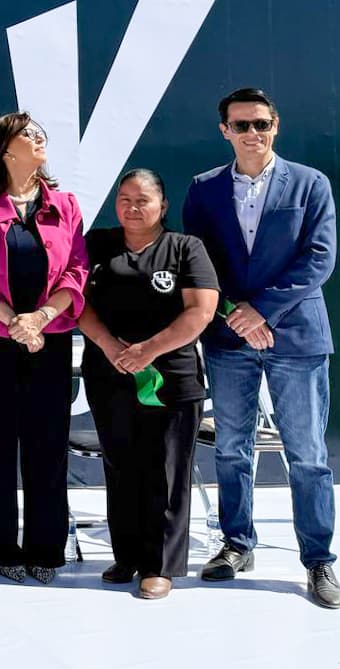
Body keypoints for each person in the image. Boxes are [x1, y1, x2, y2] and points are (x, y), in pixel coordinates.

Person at [183, 87, 340, 609]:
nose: (253, 134)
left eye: (262, 124)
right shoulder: (204, 189)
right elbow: (199, 265)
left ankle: (318, 560)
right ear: (224, 131)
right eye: (242, 125)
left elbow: (319, 259)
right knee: (232, 447)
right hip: (230, 337)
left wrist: (262, 311)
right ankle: (237, 544)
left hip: (296, 337)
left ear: (276, 126)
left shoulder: (310, 183)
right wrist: (235, 313)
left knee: (308, 455)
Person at [0, 112, 88, 584]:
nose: (38, 139)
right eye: (26, 135)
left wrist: (40, 319)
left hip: (48, 342)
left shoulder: (65, 203)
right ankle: (1, 547)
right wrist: (15, 322)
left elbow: (76, 269)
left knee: (48, 446)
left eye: (39, 134)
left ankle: (46, 550)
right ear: (3, 150)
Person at [78, 169, 219, 599]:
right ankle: (126, 556)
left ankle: (159, 565)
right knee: (121, 465)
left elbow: (201, 311)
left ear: (162, 206)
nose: (132, 207)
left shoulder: (185, 248)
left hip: (170, 378)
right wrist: (108, 345)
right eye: (124, 198)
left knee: (166, 469)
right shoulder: (98, 244)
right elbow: (77, 300)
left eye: (142, 200)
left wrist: (148, 351)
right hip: (109, 372)